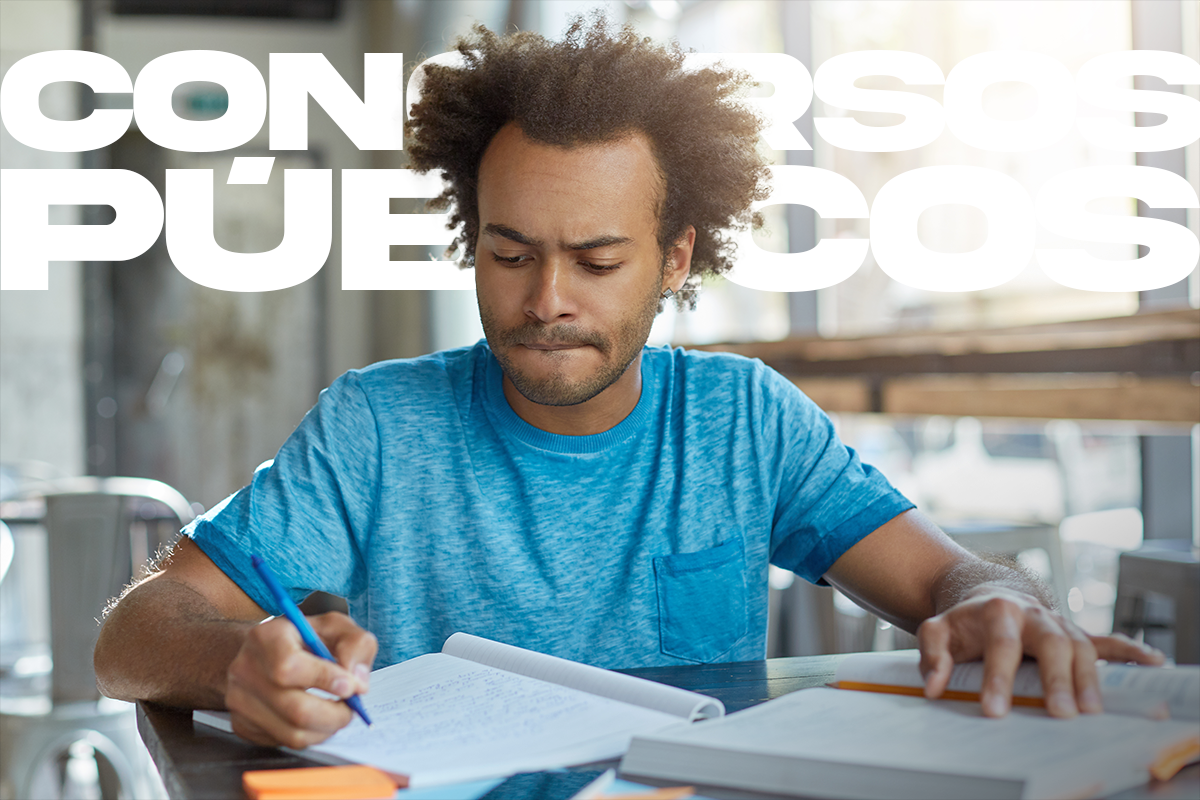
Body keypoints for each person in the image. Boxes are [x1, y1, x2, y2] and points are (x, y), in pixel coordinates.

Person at [93, 17, 1162, 750]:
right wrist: (240, 659)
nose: (546, 297)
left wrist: (1002, 601)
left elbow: (953, 579)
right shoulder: (379, 424)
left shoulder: (745, 420)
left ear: (679, 259)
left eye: (598, 261)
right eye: (510, 254)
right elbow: (133, 632)